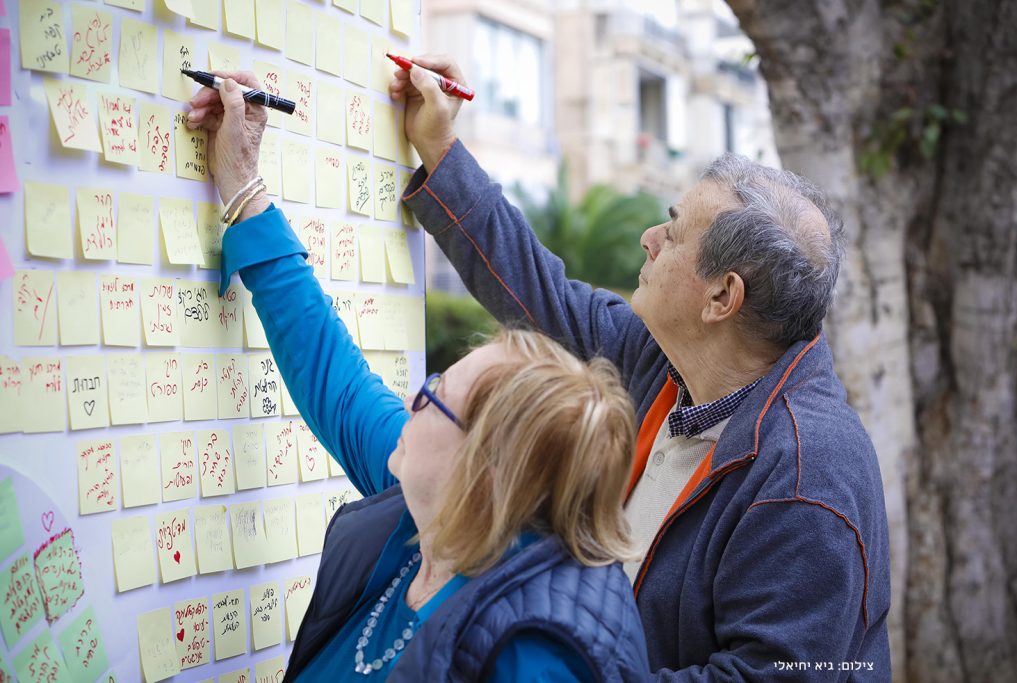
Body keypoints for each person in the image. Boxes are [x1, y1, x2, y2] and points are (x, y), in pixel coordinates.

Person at [385, 57, 893, 680]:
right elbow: (537, 292)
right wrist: (439, 145)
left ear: (721, 298)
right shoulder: (666, 365)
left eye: (675, 234)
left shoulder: (808, 477)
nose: (649, 237)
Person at [186, 74, 651, 681]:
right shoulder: (443, 510)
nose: (411, 399)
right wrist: (244, 188)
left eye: (434, 398)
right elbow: (336, 379)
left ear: (486, 466)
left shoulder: (539, 653)